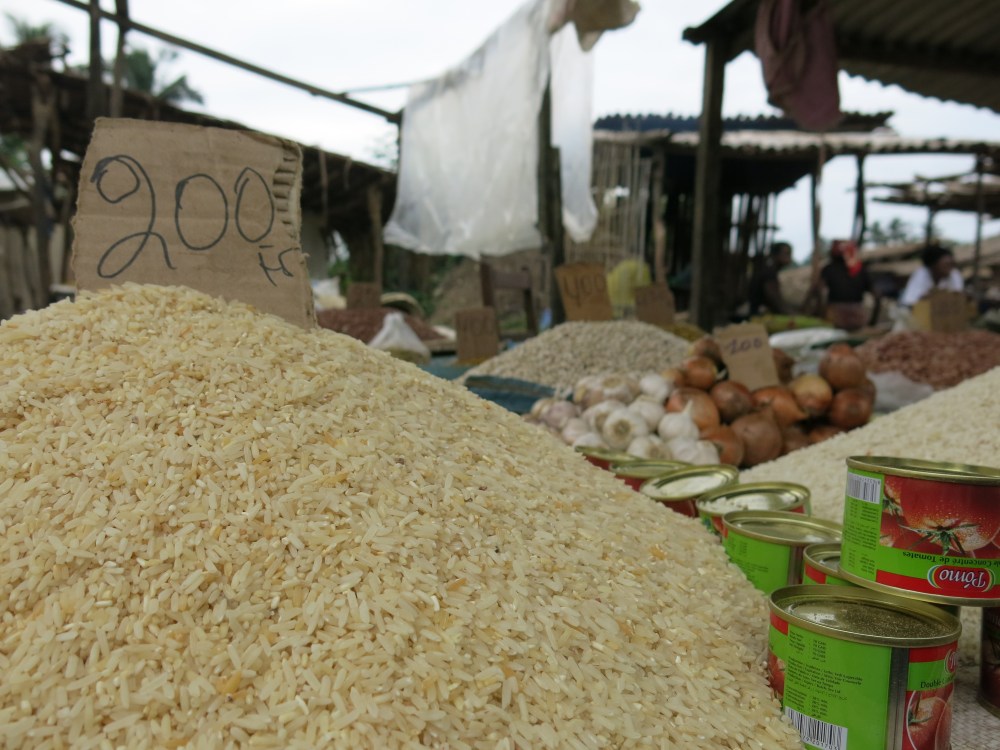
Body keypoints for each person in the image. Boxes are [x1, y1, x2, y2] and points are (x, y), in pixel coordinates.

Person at [813, 239, 876, 331]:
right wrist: (873, 321)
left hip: (836, 316)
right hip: (858, 316)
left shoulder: (828, 269)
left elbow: (818, 291)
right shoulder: (861, 269)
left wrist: (819, 314)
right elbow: (876, 295)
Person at [899, 244, 964, 307]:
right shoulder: (921, 274)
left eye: (952, 264)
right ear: (933, 265)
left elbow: (958, 296)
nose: (950, 269)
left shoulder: (954, 273)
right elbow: (909, 302)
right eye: (946, 265)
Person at [748, 241, 794, 316]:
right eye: (787, 254)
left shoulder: (768, 270)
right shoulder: (769, 272)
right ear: (776, 255)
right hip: (757, 315)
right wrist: (792, 314)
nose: (790, 257)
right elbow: (776, 301)